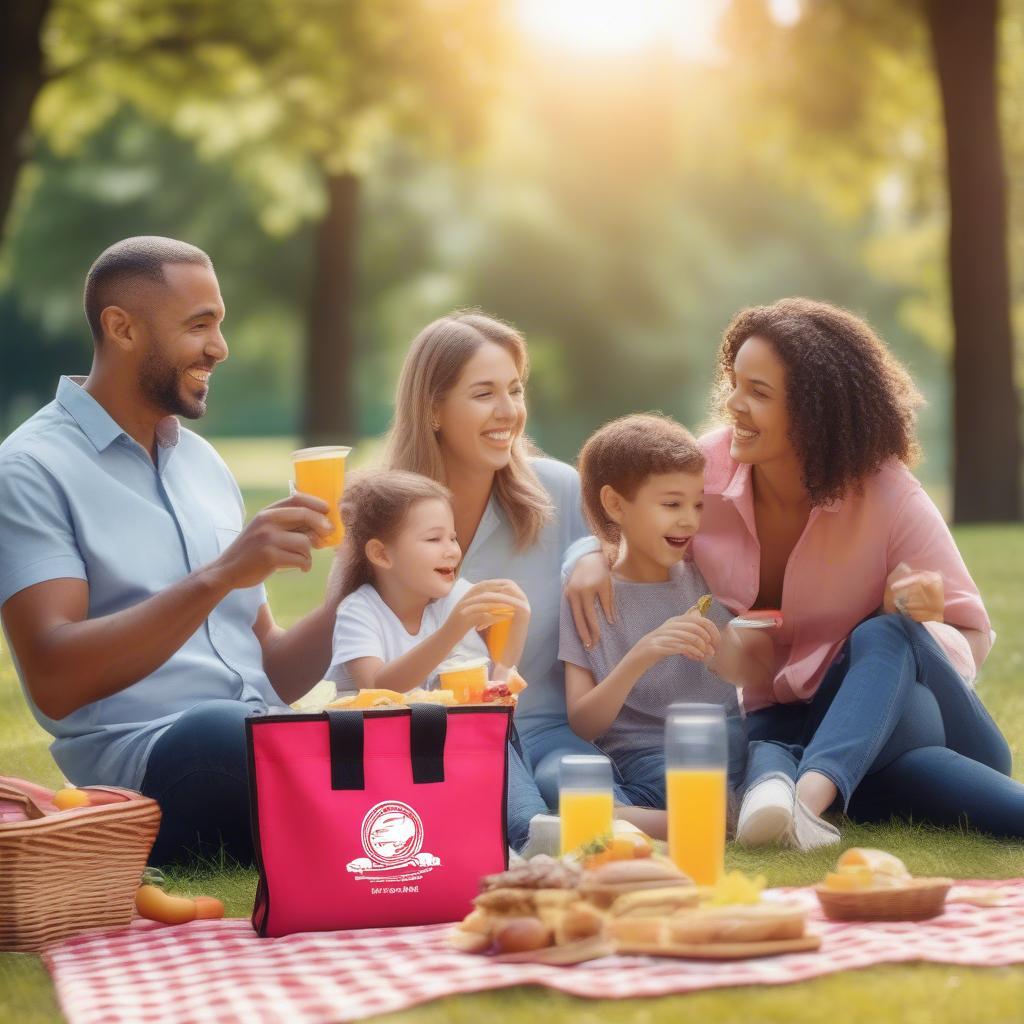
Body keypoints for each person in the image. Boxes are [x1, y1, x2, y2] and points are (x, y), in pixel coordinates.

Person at [567, 297, 1024, 842]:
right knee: (797, 755)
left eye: (758, 393)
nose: (734, 404)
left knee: (884, 632)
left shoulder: (887, 495)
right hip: (794, 730)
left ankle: (805, 797)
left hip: (907, 713)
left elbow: (971, 633)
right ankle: (821, 789)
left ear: (814, 414)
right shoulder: (703, 471)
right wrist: (590, 554)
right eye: (735, 382)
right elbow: (633, 515)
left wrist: (921, 623)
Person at [0, 236, 341, 864]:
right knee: (229, 734)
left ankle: (421, 841)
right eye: (199, 325)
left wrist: (356, 583)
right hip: (146, 768)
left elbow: (274, 672)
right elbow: (53, 677)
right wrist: (220, 575)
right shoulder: (31, 469)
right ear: (122, 328)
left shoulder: (203, 463)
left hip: (252, 737)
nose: (220, 347)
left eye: (220, 323)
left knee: (379, 722)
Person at [381, 311, 663, 838]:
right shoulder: (383, 513)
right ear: (433, 409)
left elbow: (628, 562)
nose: (508, 411)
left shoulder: (557, 490)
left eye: (515, 389)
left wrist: (593, 553)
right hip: (436, 739)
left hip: (548, 730)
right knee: (501, 789)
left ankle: (673, 824)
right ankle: (540, 832)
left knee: (579, 783)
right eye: (484, 393)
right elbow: (358, 676)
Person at [560, 413, 829, 843]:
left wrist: (736, 654)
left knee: (774, 753)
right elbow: (583, 724)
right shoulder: (589, 597)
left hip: (731, 750)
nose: (689, 520)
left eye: (698, 504)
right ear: (615, 505)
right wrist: (643, 654)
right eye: (671, 505)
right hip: (651, 762)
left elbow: (752, 674)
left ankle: (739, 808)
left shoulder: (703, 575)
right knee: (583, 782)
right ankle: (705, 818)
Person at [325, 469, 540, 850]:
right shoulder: (360, 611)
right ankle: (514, 836)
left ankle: (530, 835)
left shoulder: (455, 598)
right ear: (381, 554)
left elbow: (499, 673)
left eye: (453, 537)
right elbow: (377, 687)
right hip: (382, 765)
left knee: (497, 745)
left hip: (450, 752)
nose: (451, 550)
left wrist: (517, 622)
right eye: (433, 538)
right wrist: (453, 630)